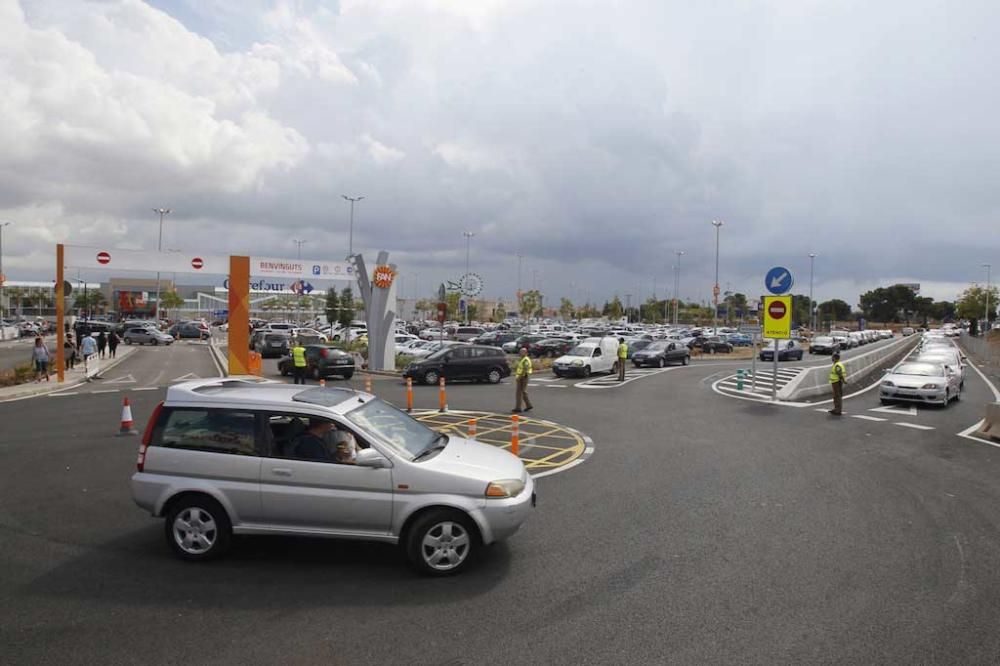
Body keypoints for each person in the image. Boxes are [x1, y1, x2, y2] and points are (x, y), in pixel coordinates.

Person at [512, 347, 533, 413]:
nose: (520, 353)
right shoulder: (523, 359)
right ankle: (528, 405)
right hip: (522, 377)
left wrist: (519, 377)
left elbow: (525, 370)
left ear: (526, 353)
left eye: (522, 352)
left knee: (520, 392)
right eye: (520, 351)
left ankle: (518, 408)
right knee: (522, 392)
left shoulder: (525, 360)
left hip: (523, 377)